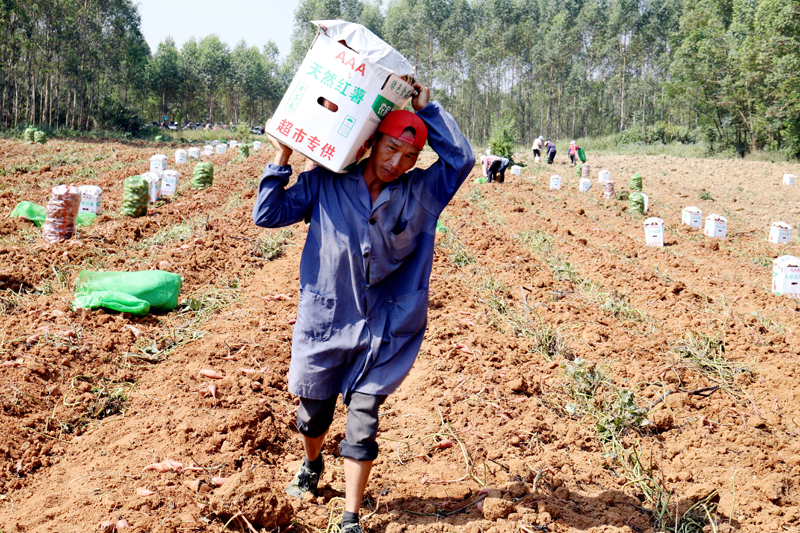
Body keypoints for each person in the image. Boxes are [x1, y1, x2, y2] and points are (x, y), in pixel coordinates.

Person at [252, 81, 474, 533]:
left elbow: (462, 160)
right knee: (313, 413)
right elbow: (267, 215)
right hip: (326, 318)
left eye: (410, 157)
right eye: (392, 149)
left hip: (386, 325)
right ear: (371, 143)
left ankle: (350, 515)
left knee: (364, 417)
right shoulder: (324, 184)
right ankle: (312, 464)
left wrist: (425, 109)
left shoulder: (423, 193)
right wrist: (282, 160)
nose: (398, 164)